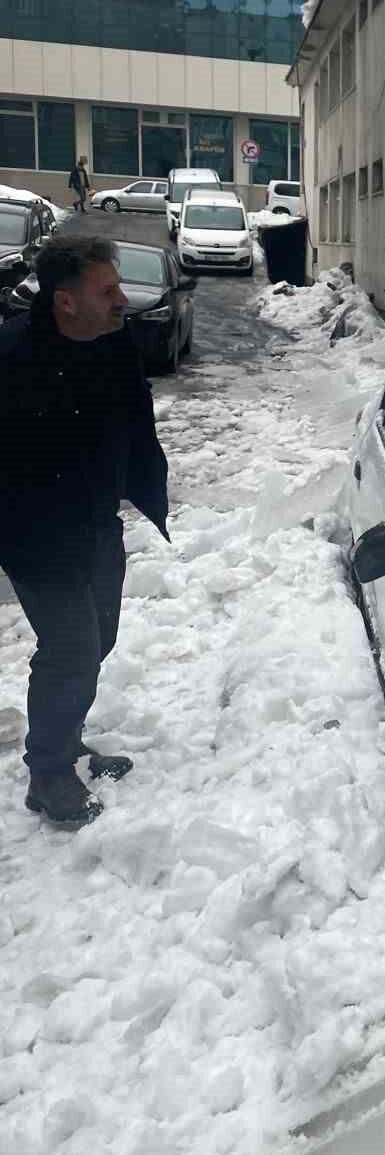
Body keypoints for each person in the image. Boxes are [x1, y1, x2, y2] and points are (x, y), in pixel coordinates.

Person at [0, 234, 170, 826]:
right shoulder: (13, 357)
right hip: (35, 535)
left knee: (98, 640)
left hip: (97, 522)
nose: (123, 299)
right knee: (70, 649)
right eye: (108, 289)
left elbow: (135, 419)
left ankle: (66, 739)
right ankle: (48, 774)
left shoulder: (113, 344)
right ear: (65, 302)